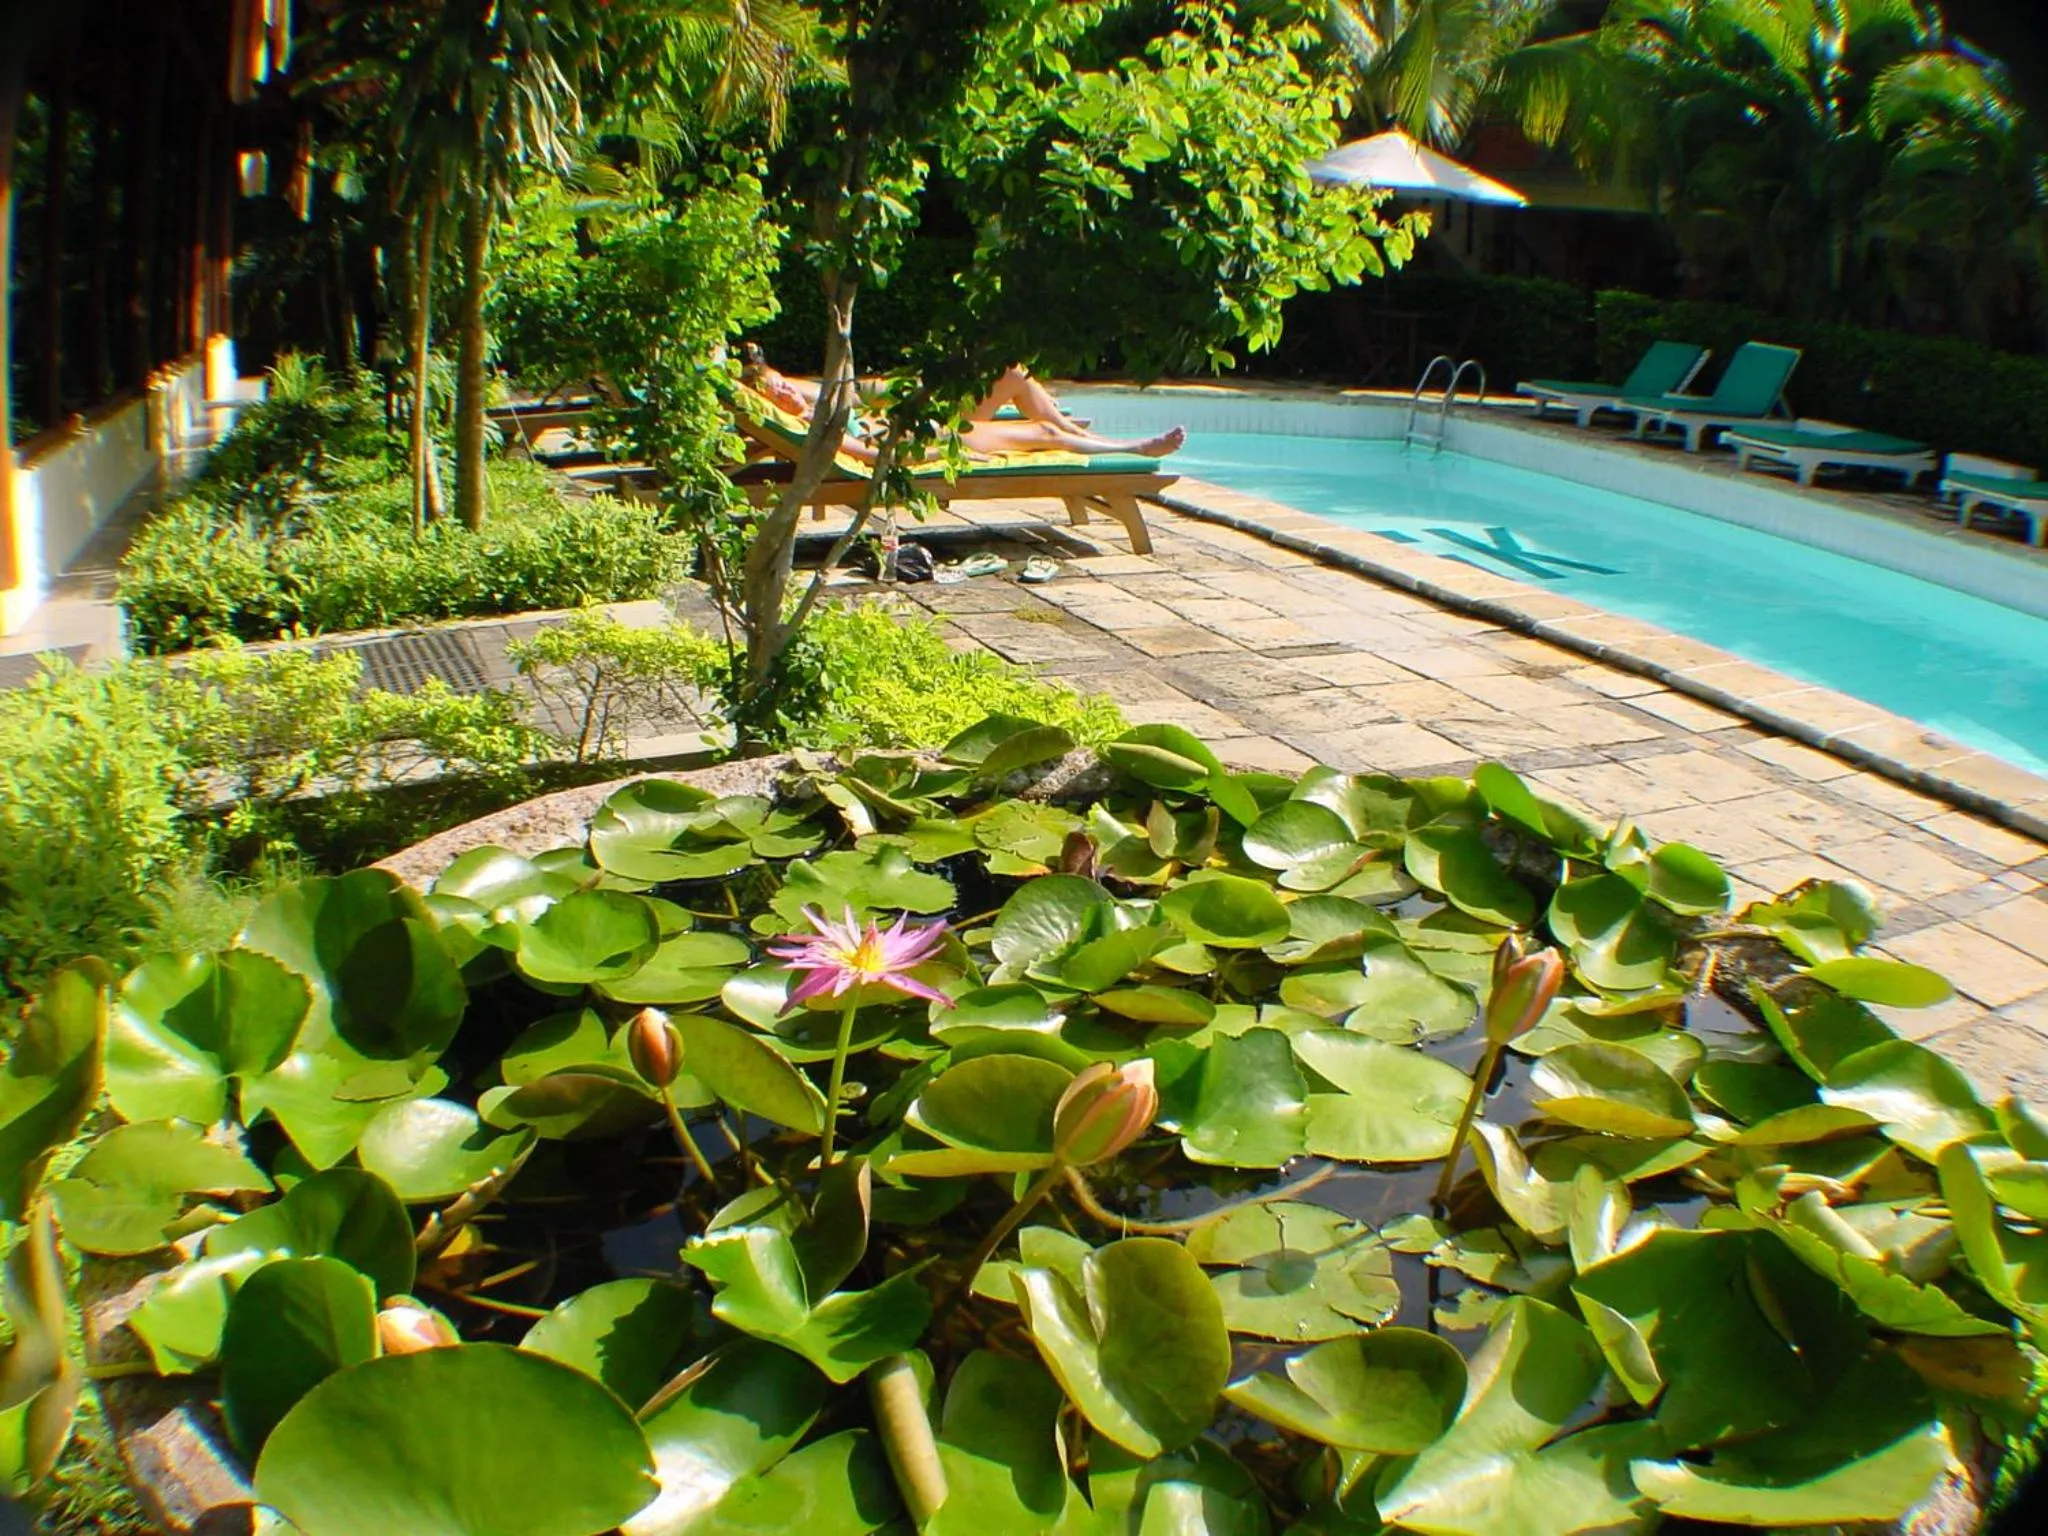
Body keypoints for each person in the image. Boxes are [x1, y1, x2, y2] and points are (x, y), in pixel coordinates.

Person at [737, 345, 1186, 462]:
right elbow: (874, 456)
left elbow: (850, 395)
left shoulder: (808, 409)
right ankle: (1130, 449)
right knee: (1046, 432)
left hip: (918, 424)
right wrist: (944, 452)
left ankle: (1096, 439)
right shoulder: (817, 430)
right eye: (778, 392)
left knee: (1016, 377)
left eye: (784, 384)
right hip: (927, 438)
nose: (788, 391)